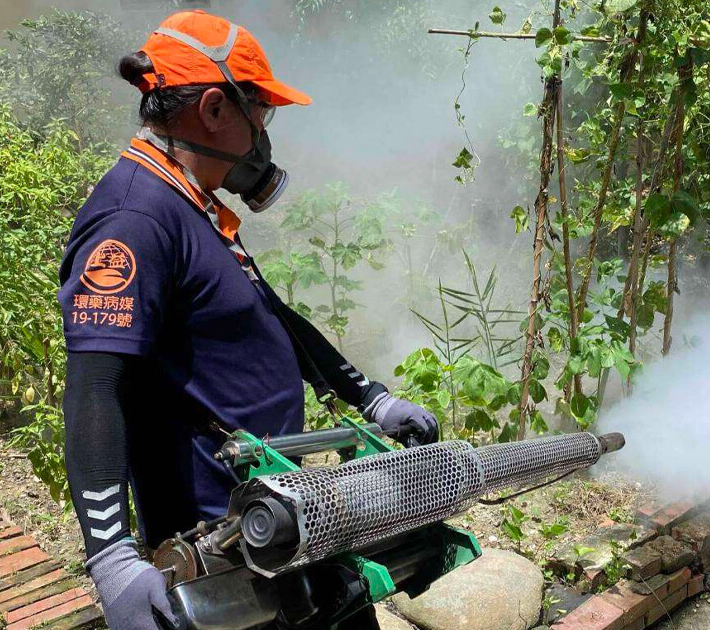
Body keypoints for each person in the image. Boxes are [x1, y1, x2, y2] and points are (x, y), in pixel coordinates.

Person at [58, 11, 438, 630]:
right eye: (259, 111)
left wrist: (371, 398)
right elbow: (94, 389)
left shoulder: (190, 203)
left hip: (279, 509)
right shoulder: (136, 220)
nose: (264, 132)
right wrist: (112, 559)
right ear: (213, 109)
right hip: (222, 542)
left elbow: (270, 314)